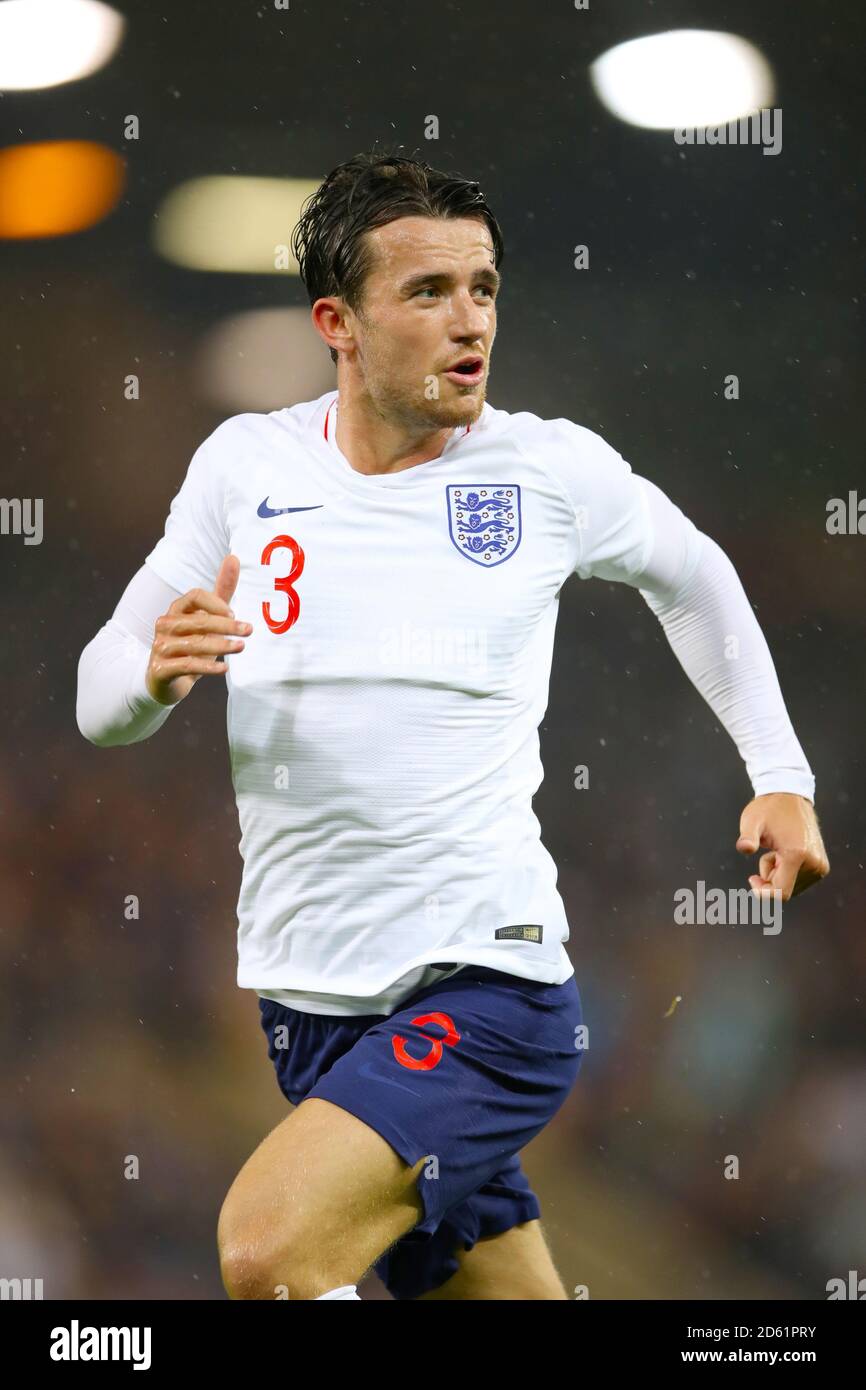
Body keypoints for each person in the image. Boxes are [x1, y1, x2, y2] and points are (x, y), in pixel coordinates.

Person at [76, 152, 829, 1301]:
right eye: (427, 292)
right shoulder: (246, 466)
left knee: (267, 1255)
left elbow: (693, 572)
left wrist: (778, 772)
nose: (468, 319)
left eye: (481, 287)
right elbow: (98, 694)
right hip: (307, 1003)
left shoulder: (543, 470)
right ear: (337, 321)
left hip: (485, 991)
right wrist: (152, 681)